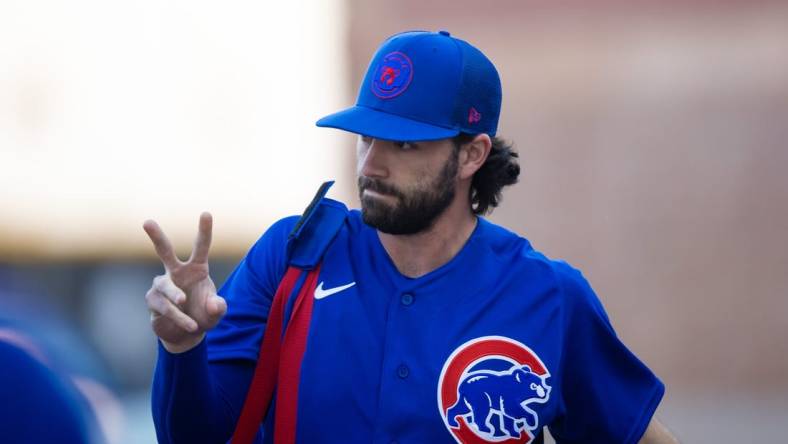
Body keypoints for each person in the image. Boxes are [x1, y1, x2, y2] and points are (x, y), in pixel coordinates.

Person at [144, 30, 678, 443]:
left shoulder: (550, 297)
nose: (371, 164)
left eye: (403, 145)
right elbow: (197, 436)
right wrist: (182, 346)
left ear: (472, 154)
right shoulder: (291, 257)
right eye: (366, 137)